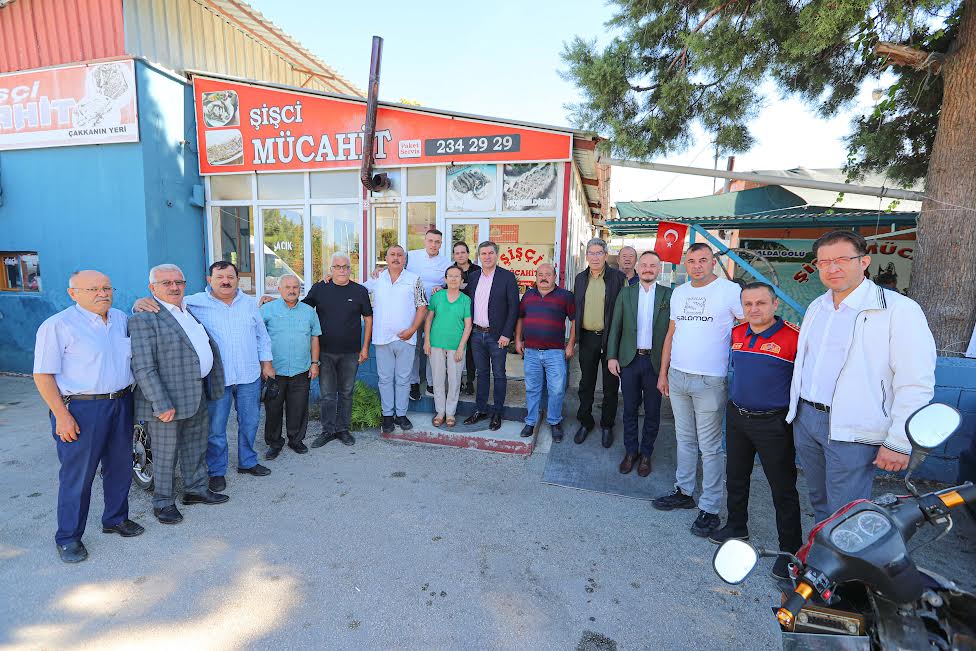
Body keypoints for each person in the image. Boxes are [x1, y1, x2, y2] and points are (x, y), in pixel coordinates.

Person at [787, 230, 936, 523]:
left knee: (846, 511)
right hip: (807, 419)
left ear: (864, 262)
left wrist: (900, 440)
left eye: (842, 259)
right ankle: (821, 551)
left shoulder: (898, 310)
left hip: (854, 426)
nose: (832, 268)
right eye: (824, 262)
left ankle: (842, 554)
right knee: (819, 500)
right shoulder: (818, 306)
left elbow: (915, 381)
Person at [33, 270, 144, 563]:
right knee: (78, 475)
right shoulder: (58, 325)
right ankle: (68, 537)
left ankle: (115, 518)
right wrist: (61, 415)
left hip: (121, 401)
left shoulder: (120, 318)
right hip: (81, 408)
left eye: (107, 288)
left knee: (120, 466)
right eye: (93, 289)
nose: (102, 293)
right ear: (73, 293)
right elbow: (42, 375)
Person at [134, 261, 274, 492]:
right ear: (209, 280)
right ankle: (217, 470)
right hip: (218, 379)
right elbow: (163, 304)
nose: (226, 281)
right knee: (215, 429)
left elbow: (262, 336)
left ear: (237, 280)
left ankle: (248, 462)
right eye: (220, 277)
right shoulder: (192, 302)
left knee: (250, 423)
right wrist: (138, 303)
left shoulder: (250, 304)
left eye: (230, 277)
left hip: (249, 375)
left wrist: (266, 364)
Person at [709, 282, 802, 580]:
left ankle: (790, 552)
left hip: (773, 423)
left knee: (782, 489)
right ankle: (737, 526)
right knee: (736, 477)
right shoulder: (737, 333)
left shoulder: (794, 337)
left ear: (775, 304)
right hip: (737, 417)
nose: (754, 309)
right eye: (748, 304)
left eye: (761, 303)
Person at [653, 243, 744, 538]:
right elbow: (671, 334)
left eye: (703, 260)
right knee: (684, 438)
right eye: (691, 261)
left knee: (710, 446)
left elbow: (747, 327)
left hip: (710, 380)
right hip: (677, 376)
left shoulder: (729, 291)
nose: (697, 266)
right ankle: (684, 491)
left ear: (713, 262)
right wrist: (663, 372)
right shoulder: (680, 292)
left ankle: (710, 507)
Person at [129, 264, 229, 526]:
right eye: (166, 283)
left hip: (196, 392)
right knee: (165, 454)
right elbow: (143, 367)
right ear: (152, 288)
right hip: (167, 400)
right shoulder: (144, 318)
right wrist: (160, 403)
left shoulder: (187, 310)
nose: (174, 287)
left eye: (179, 282)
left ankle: (195, 489)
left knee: (196, 446)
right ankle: (163, 502)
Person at [607, 251, 673, 476]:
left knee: (653, 411)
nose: (647, 269)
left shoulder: (668, 295)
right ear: (638, 267)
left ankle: (646, 454)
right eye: (644, 264)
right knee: (629, 409)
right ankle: (630, 451)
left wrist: (668, 366)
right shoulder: (626, 293)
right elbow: (616, 326)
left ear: (658, 269)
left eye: (652, 265)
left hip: (655, 362)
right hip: (629, 360)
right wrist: (612, 356)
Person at [303, 253, 373, 448]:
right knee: (327, 394)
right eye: (338, 266)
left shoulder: (359, 291)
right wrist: (274, 301)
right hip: (324, 352)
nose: (342, 270)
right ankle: (327, 430)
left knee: (346, 392)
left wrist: (365, 347)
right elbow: (301, 309)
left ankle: (342, 429)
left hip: (351, 353)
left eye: (345, 267)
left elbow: (368, 319)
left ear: (350, 269)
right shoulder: (319, 288)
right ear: (331, 269)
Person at [365, 245, 428, 434]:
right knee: (385, 379)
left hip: (406, 338)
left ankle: (401, 415)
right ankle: (387, 416)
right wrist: (333, 278)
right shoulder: (377, 279)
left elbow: (422, 307)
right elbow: (355, 289)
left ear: (404, 259)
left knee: (403, 379)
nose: (396, 258)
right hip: (382, 338)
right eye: (392, 254)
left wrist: (412, 330)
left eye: (400, 255)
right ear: (386, 258)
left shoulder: (414, 279)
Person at [260, 274, 321, 459]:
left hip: (301, 369)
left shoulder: (309, 311)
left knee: (298, 408)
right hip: (274, 370)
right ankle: (274, 442)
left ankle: (296, 440)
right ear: (279, 289)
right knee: (273, 409)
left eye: (295, 287)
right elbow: (258, 338)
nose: (292, 290)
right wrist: (263, 366)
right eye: (287, 287)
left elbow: (315, 338)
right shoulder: (267, 310)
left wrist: (314, 363)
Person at [572, 238, 626, 447]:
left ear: (605, 255)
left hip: (610, 338)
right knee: (586, 383)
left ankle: (607, 425)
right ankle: (585, 422)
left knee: (610, 385)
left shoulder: (618, 278)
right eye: (591, 253)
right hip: (587, 338)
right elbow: (577, 310)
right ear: (587, 256)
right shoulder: (580, 278)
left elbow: (623, 311)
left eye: (599, 253)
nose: (595, 257)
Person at [515, 263, 575, 441]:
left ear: (555, 276)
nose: (544, 277)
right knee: (532, 388)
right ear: (536, 276)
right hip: (531, 352)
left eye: (548, 274)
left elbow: (574, 321)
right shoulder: (528, 295)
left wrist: (571, 344)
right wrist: (518, 339)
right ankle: (531, 421)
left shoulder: (565, 296)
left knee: (556, 390)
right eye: (540, 274)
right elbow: (520, 318)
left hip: (555, 352)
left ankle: (554, 421)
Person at [463, 241, 519, 431]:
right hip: (477, 334)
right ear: (479, 256)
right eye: (483, 253)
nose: (487, 257)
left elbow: (514, 308)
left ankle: (497, 412)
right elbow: (461, 294)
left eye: (490, 253)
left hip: (498, 336)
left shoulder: (507, 277)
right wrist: (441, 287)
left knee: (499, 374)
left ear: (497, 255)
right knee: (482, 373)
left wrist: (507, 334)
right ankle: (481, 409)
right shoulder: (473, 277)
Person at [423, 266, 472, 427]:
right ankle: (440, 412)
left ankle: (450, 413)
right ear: (445, 279)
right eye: (450, 276)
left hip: (455, 346)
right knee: (437, 379)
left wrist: (461, 347)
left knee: (454, 380)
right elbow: (428, 320)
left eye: (457, 276)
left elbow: (468, 325)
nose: (453, 279)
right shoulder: (437, 297)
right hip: (436, 343)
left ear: (462, 280)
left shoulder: (465, 300)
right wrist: (427, 341)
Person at [406, 229, 452, 400]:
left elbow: (451, 282)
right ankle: (413, 382)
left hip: (435, 311)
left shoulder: (447, 262)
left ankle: (432, 383)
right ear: (425, 241)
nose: (433, 245)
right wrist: (379, 270)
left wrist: (443, 287)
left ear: (441, 244)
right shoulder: (411, 256)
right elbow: (393, 265)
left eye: (437, 242)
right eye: (430, 241)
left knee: (433, 347)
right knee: (415, 346)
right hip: (413, 309)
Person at [451, 241, 481, 395]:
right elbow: (448, 288)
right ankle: (456, 382)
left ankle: (469, 381)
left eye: (463, 252)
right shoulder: (451, 271)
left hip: (472, 315)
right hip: (455, 317)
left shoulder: (477, 270)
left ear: (468, 254)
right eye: (457, 253)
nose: (460, 255)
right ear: (453, 255)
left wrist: (464, 287)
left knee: (470, 352)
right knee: (454, 350)